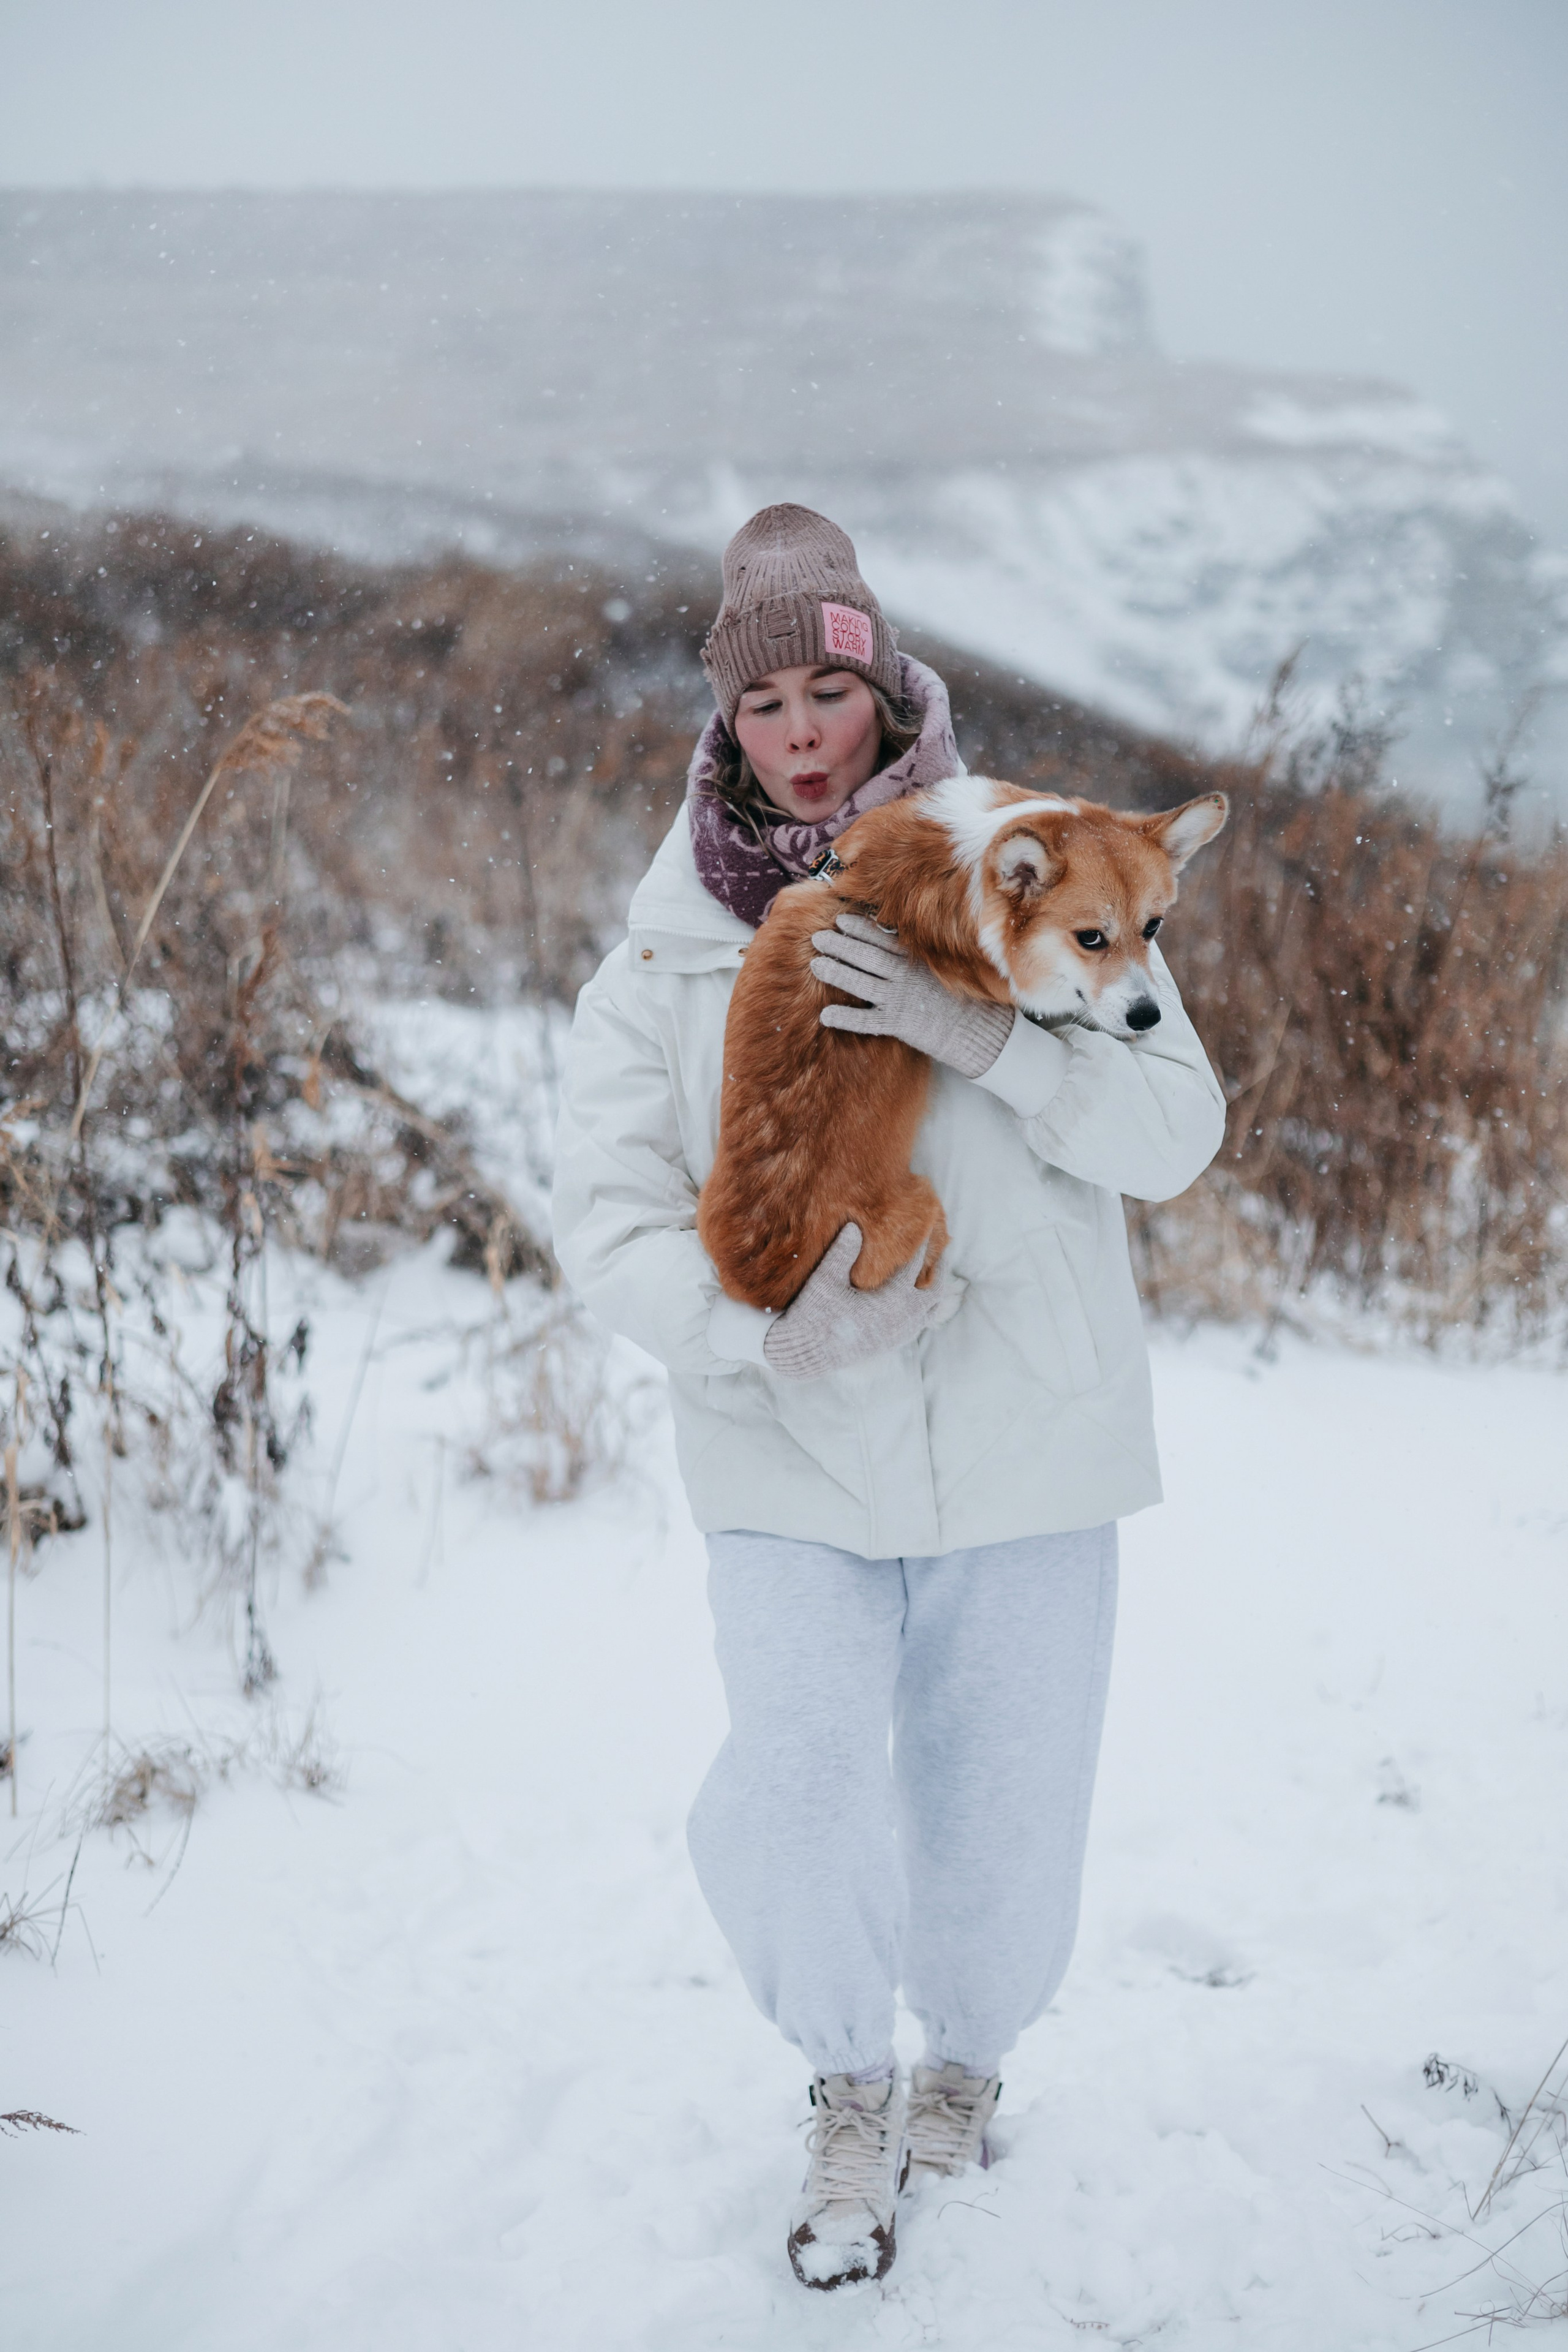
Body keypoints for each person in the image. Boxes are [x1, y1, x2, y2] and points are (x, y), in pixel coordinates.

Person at [552, 504, 1224, 2291]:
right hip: (785, 1430)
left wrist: (996, 1045)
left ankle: (967, 2061)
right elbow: (603, 1209)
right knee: (798, 1778)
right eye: (761, 699)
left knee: (1003, 1795)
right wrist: (749, 1343)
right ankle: (846, 2081)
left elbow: (1179, 1133)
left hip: (1024, 1419)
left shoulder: (1042, 860)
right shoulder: (667, 946)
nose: (798, 729)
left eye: (826, 690)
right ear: (728, 718)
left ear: (884, 684)